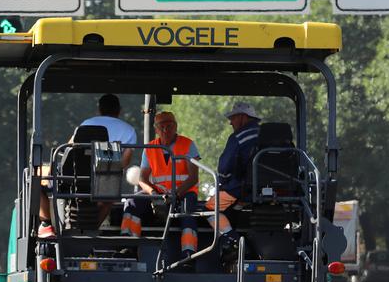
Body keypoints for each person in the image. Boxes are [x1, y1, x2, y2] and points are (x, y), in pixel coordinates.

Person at [38, 94, 138, 238]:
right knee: (109, 198)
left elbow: (69, 149)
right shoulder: (129, 131)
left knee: (35, 174)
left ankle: (46, 224)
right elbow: (124, 162)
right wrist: (107, 171)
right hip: (106, 180)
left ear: (99, 109)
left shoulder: (86, 124)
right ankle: (91, 229)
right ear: (119, 110)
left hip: (75, 177)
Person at [120, 111, 201, 256]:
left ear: (175, 126)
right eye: (161, 126)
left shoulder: (188, 144)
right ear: (155, 129)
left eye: (169, 126)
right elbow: (142, 179)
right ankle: (128, 247)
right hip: (158, 194)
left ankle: (189, 253)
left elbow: (193, 177)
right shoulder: (149, 148)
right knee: (132, 202)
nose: (165, 130)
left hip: (184, 193)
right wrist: (153, 194)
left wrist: (175, 194)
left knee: (188, 212)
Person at [207, 101, 261, 263]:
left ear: (243, 117)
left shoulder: (238, 137)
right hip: (274, 190)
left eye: (233, 118)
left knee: (211, 208)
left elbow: (224, 167)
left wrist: (223, 182)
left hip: (242, 188)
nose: (230, 122)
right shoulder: (269, 135)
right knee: (234, 207)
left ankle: (234, 242)